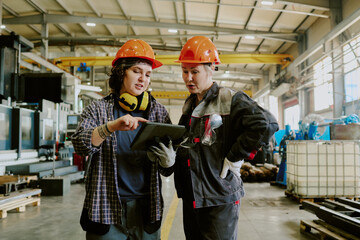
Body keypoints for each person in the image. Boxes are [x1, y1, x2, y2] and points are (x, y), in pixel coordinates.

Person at [174, 36, 279, 240]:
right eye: (184, 71)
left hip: (218, 197)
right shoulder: (189, 106)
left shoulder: (230, 99)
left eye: (194, 72)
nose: (188, 78)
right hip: (193, 197)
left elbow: (266, 124)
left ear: (211, 68)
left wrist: (235, 156)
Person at [71, 39, 176, 240]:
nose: (142, 79)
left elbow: (166, 169)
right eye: (136, 71)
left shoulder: (158, 112)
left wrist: (169, 161)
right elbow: (80, 145)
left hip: (147, 209)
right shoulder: (98, 109)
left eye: (147, 74)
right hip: (104, 208)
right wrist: (111, 127)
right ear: (121, 72)